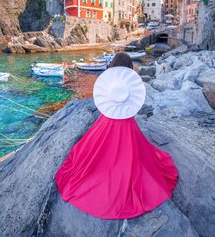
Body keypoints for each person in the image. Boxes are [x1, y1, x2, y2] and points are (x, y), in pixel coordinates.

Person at [55, 52, 178, 219]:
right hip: (126, 123)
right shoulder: (128, 84)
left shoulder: (110, 83)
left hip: (106, 120)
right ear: (129, 68)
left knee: (92, 150)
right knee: (135, 152)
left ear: (112, 65)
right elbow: (133, 103)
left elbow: (105, 101)